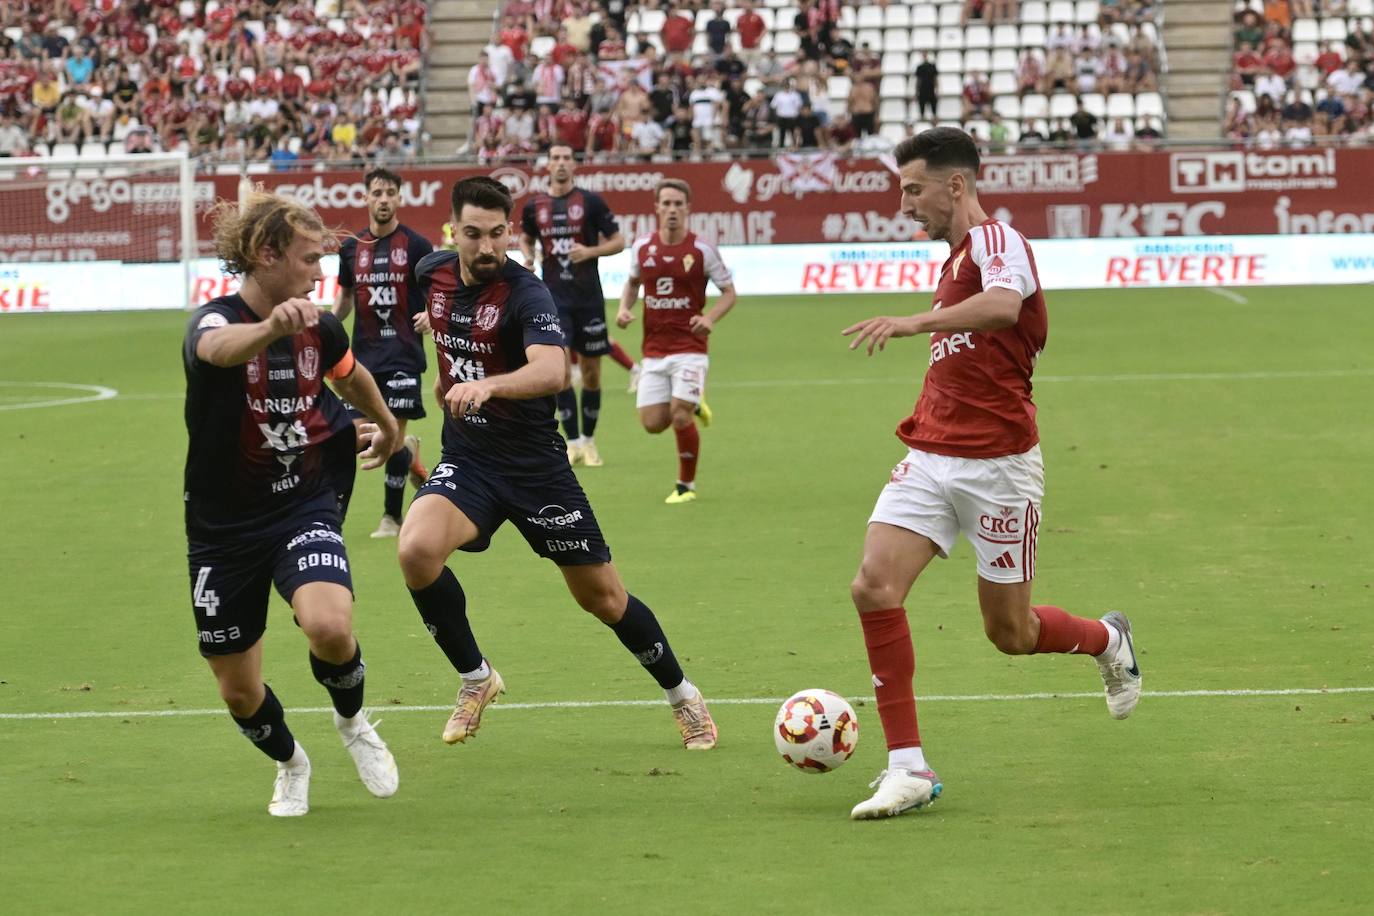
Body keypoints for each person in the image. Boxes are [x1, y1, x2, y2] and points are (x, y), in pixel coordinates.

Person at [839, 128, 1142, 820]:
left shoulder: (998, 243)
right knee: (873, 585)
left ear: (956, 185)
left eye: (913, 188)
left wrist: (917, 321)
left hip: (1000, 468)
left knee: (1011, 633)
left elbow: (1005, 308)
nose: (905, 203)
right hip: (930, 452)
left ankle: (1107, 637)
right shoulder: (950, 258)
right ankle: (907, 765)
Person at [398, 177, 718, 751]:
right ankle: (477, 679)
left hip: (536, 470)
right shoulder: (434, 274)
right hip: (468, 461)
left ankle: (684, 696)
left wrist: (491, 385)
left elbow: (552, 371)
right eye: (473, 234)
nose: (487, 246)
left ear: (512, 232)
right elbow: (432, 311)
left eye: (499, 234)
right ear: (454, 233)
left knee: (604, 599)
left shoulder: (528, 293)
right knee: (416, 550)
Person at [183, 191, 403, 817]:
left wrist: (386, 424)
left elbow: (350, 372)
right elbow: (217, 351)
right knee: (238, 690)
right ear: (266, 254)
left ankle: (354, 722)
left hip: (301, 505)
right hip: (222, 530)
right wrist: (271, 328)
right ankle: (290, 762)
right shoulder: (215, 321)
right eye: (308, 259)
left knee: (330, 626)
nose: (318, 272)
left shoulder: (319, 322)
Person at [616, 179, 737, 505]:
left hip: (690, 349)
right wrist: (625, 308)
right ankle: (692, 399)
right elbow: (632, 283)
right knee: (653, 423)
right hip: (654, 350)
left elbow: (729, 293)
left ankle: (686, 485)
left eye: (677, 204)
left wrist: (709, 319)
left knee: (679, 415)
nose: (671, 210)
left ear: (688, 209)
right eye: (666, 203)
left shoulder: (702, 250)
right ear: (656, 208)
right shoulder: (643, 247)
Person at [335, 168, 435, 538]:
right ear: (365, 197)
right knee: (353, 435)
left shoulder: (417, 246)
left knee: (387, 435)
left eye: (390, 193)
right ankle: (408, 456)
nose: (383, 199)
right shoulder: (350, 247)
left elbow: (437, 295)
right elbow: (345, 297)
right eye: (376, 192)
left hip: (403, 355)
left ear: (399, 199)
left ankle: (392, 519)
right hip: (361, 359)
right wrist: (327, 327)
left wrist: (430, 314)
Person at [519, 145, 631, 467]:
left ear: (574, 165)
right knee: (562, 370)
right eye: (555, 158)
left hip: (588, 298)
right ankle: (573, 441)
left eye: (567, 158)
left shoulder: (591, 202)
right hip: (552, 299)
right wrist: (528, 256)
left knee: (593, 373)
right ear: (548, 165)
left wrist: (591, 252)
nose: (561, 164)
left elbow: (618, 241)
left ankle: (591, 440)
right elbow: (526, 236)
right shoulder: (535, 205)